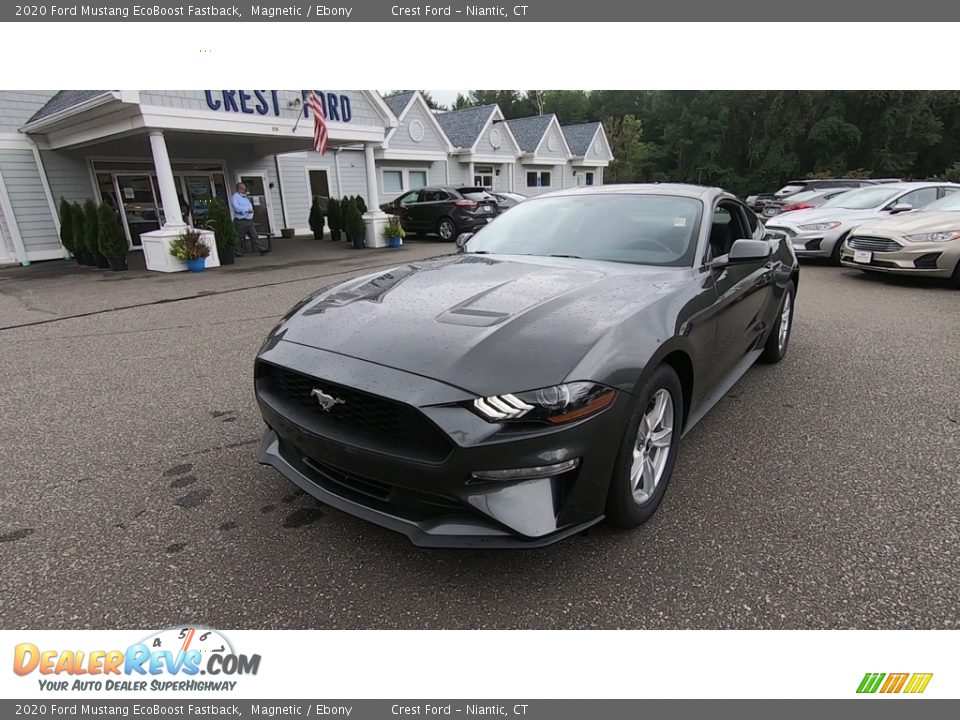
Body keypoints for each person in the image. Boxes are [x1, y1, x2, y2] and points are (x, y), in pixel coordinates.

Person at [231, 182, 269, 256]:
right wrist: (246, 210)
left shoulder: (245, 197)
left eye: (245, 188)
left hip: (249, 221)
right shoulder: (235, 197)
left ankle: (261, 249)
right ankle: (236, 251)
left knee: (254, 235)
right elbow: (236, 207)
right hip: (241, 221)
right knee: (238, 237)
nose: (244, 190)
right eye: (242, 188)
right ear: (238, 189)